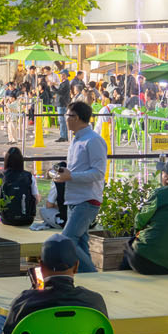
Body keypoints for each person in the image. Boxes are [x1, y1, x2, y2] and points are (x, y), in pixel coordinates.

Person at [49, 101, 107, 273]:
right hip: (74, 198)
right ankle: (89, 278)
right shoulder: (77, 139)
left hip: (87, 200)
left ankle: (93, 275)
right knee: (81, 243)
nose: (65, 119)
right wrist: (63, 174)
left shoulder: (93, 140)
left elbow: (98, 172)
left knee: (66, 241)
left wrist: (71, 176)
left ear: (77, 118)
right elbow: (76, 169)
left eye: (68, 115)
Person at [0, 146, 37, 228]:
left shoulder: (1, 176)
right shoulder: (29, 176)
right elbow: (36, 198)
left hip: (7, 219)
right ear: (21, 160)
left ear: (6, 160)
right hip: (27, 219)